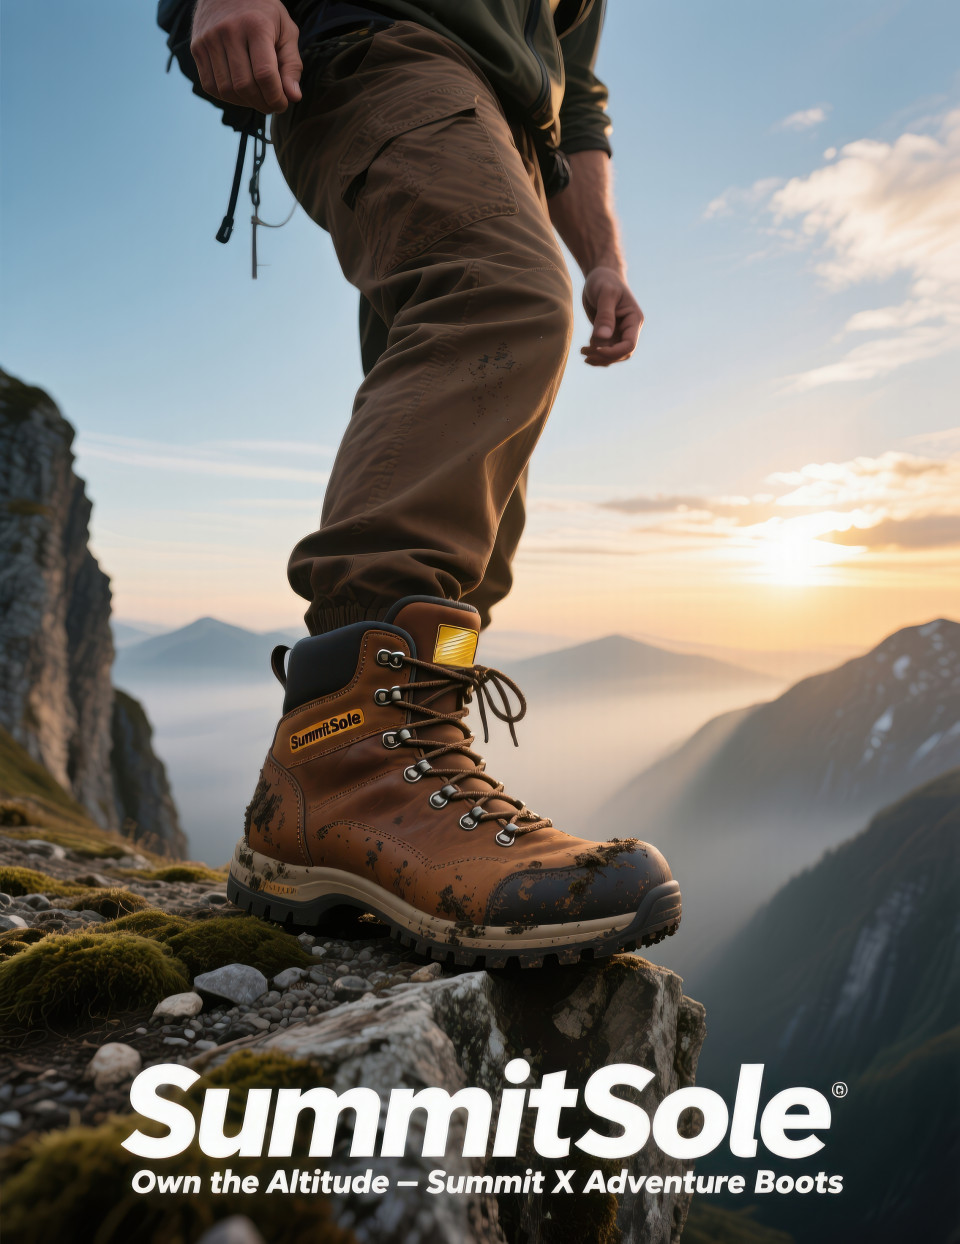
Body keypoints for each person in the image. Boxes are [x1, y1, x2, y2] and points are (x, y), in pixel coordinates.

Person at [191, 0, 682, 966]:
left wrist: (605, 257)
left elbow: (575, 97)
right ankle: (353, 761)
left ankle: (366, 790)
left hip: (513, 127)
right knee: (498, 297)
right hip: (382, 35)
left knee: (476, 466)